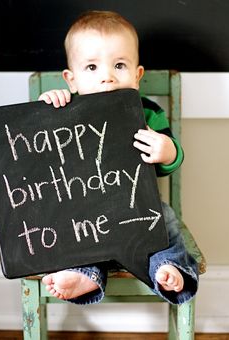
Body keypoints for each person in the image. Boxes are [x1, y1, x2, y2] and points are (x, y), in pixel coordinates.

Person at [39, 10, 198, 305]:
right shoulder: (65, 111)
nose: (107, 77)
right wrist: (47, 109)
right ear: (71, 80)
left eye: (120, 65)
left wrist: (166, 149)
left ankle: (168, 268)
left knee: (166, 221)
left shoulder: (146, 112)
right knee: (76, 232)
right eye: (91, 67)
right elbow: (41, 153)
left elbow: (168, 162)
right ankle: (85, 273)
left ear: (137, 74)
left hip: (137, 206)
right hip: (86, 210)